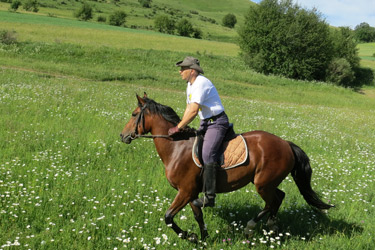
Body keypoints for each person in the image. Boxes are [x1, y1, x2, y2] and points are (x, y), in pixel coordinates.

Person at [168, 56, 230, 207]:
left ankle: (209, 197)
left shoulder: (201, 83)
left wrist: (178, 127)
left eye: (183, 69)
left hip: (217, 123)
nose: (180, 71)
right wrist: (181, 125)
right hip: (205, 123)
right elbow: (188, 108)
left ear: (192, 71)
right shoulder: (190, 84)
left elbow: (194, 111)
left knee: (208, 154)